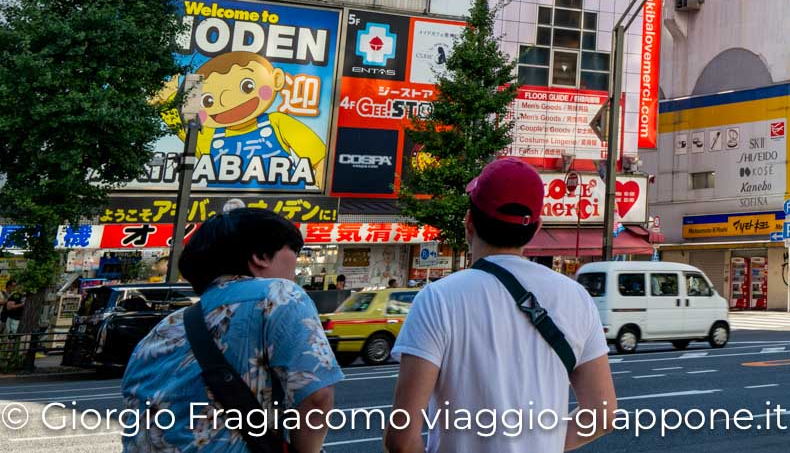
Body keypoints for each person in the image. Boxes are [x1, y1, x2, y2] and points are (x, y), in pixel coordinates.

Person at [386, 158, 615, 453]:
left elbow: (402, 440)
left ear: (469, 222)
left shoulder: (437, 299)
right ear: (535, 229)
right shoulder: (576, 297)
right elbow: (602, 414)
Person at [121, 209, 340, 453]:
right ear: (261, 255)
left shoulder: (164, 328)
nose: (296, 269)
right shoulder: (280, 295)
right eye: (294, 253)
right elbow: (316, 397)